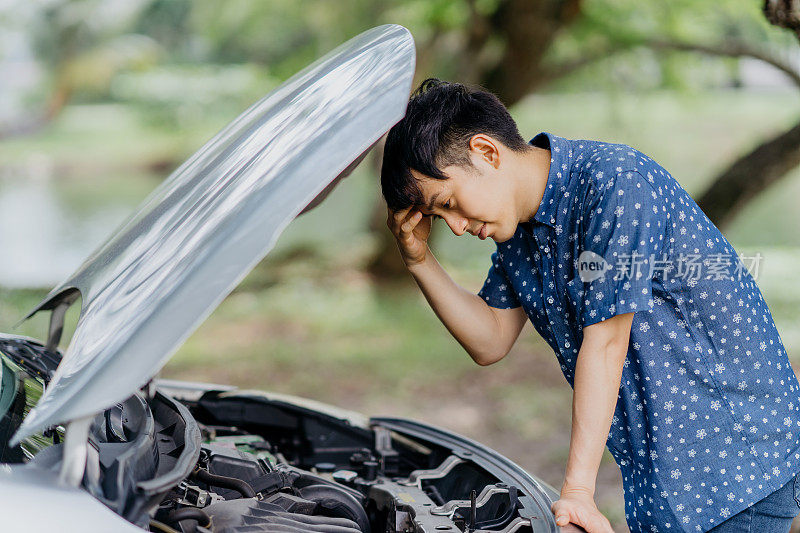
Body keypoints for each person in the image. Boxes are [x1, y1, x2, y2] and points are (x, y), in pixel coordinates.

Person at [380, 78, 800, 533]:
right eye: (442, 218)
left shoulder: (616, 184)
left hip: (737, 461)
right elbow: (491, 339)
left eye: (448, 204)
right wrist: (419, 260)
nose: (456, 227)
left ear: (486, 152)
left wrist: (578, 491)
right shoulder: (519, 234)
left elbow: (605, 342)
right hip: (669, 483)